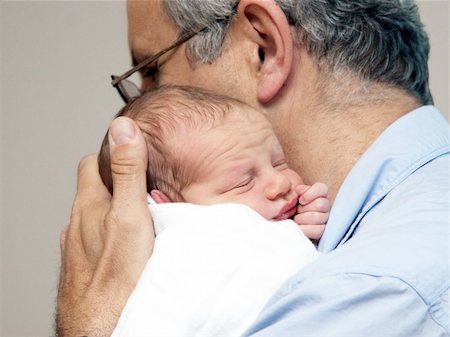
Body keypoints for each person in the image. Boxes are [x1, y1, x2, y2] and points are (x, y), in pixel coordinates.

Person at [56, 1, 450, 336]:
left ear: (264, 49)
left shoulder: (359, 294)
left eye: (152, 70)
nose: (146, 101)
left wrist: (92, 317)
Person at [97, 84, 328, 336]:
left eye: (278, 163)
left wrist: (300, 227)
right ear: (170, 206)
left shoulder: (269, 227)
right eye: (243, 182)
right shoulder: (179, 264)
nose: (280, 183)